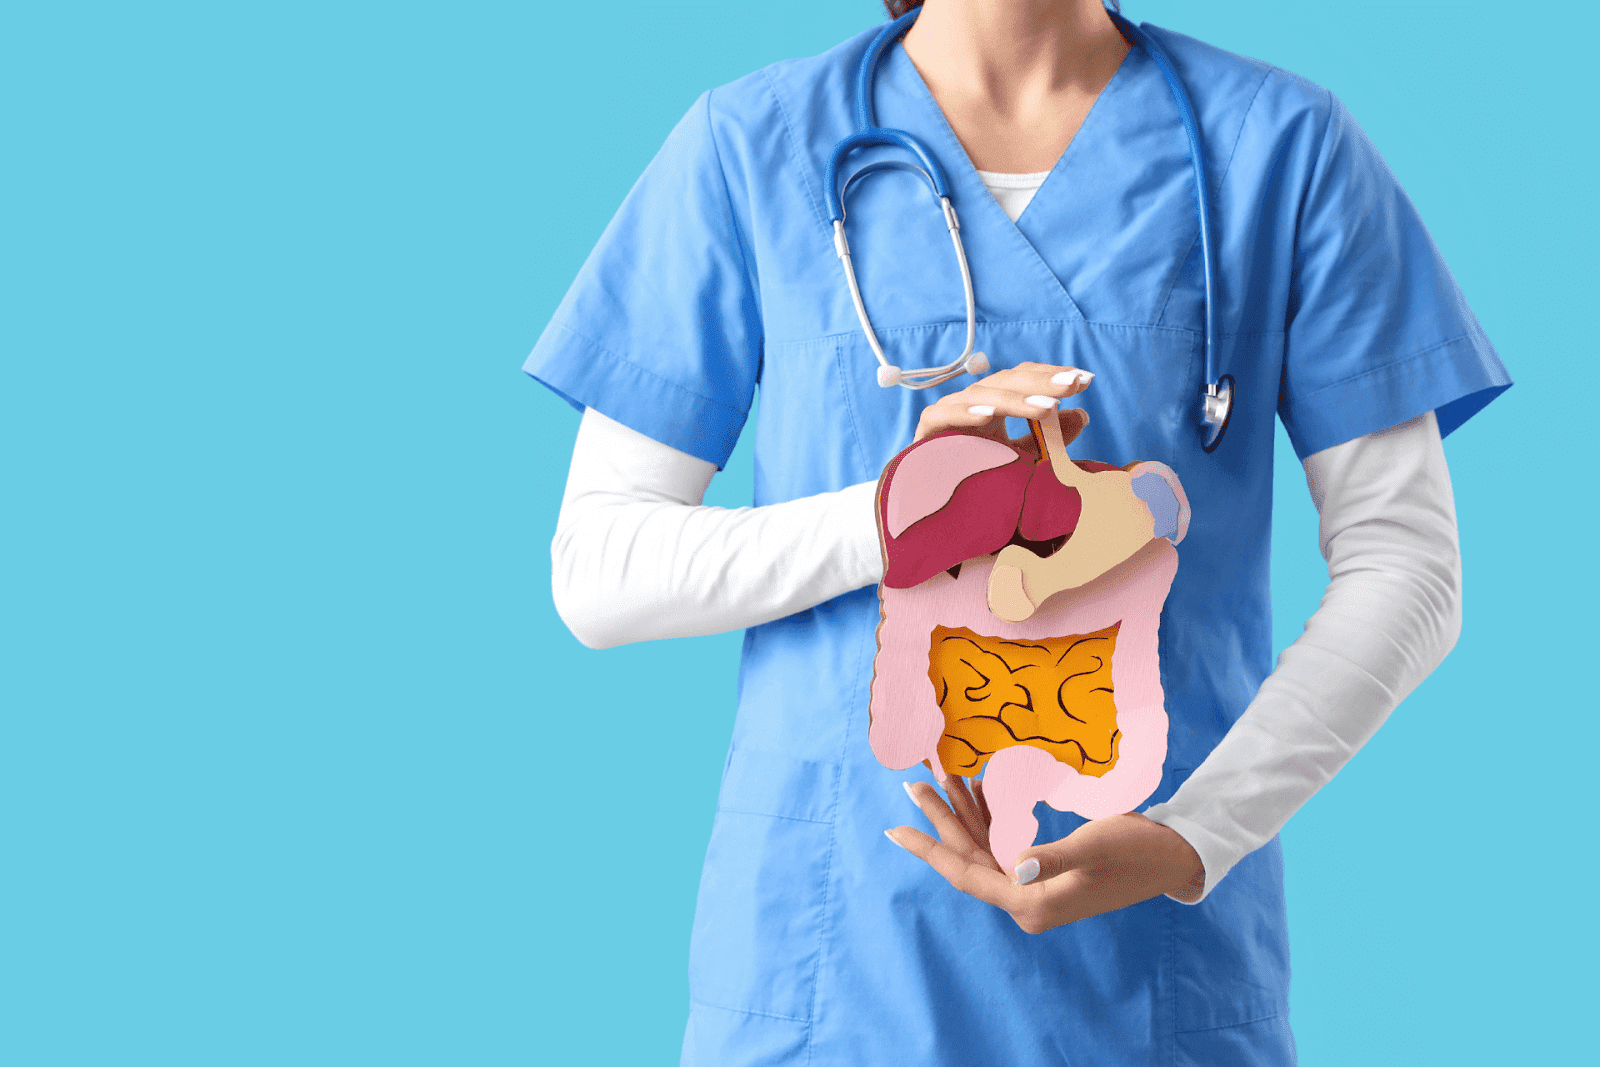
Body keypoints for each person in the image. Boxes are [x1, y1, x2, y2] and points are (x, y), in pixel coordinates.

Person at [526, 1, 1511, 1063]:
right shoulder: (748, 146)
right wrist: (903, 518)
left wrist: (1199, 828)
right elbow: (602, 570)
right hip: (834, 964)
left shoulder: (1281, 148)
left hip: (1155, 972)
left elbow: (1407, 565)